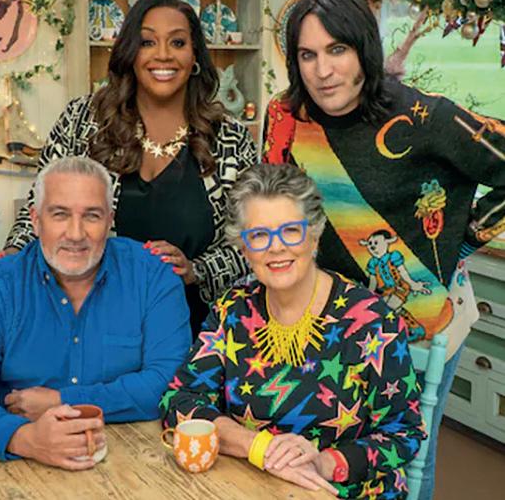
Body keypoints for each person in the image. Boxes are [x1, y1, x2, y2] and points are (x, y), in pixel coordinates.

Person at [262, 0, 505, 500]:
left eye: (337, 50)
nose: (322, 71)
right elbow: (271, 205)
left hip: (421, 319)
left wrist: (465, 240)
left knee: (407, 458)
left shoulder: (426, 117)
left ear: (364, 49)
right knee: (321, 456)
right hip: (323, 323)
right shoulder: (285, 116)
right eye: (307, 54)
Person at [0, 0, 257, 339]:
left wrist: (197, 270)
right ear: (130, 52)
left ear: (195, 55)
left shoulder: (229, 137)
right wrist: (12, 256)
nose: (163, 54)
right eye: (147, 42)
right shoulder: (82, 120)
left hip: (196, 336)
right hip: (86, 329)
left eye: (178, 42)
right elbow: (43, 204)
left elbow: (252, 240)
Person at [161, 164, 424, 499]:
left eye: (290, 231)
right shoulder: (232, 310)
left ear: (314, 235)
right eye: (259, 235)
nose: (276, 247)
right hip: (249, 485)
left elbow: (404, 432)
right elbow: (180, 399)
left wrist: (322, 463)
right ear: (243, 248)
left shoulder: (372, 321)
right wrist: (259, 448)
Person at [0, 156, 191, 469]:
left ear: (110, 220)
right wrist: (23, 438)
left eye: (92, 216)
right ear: (35, 220)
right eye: (60, 214)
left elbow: (171, 381)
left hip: (142, 461)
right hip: (20, 467)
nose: (75, 233)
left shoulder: (154, 276)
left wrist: (64, 400)